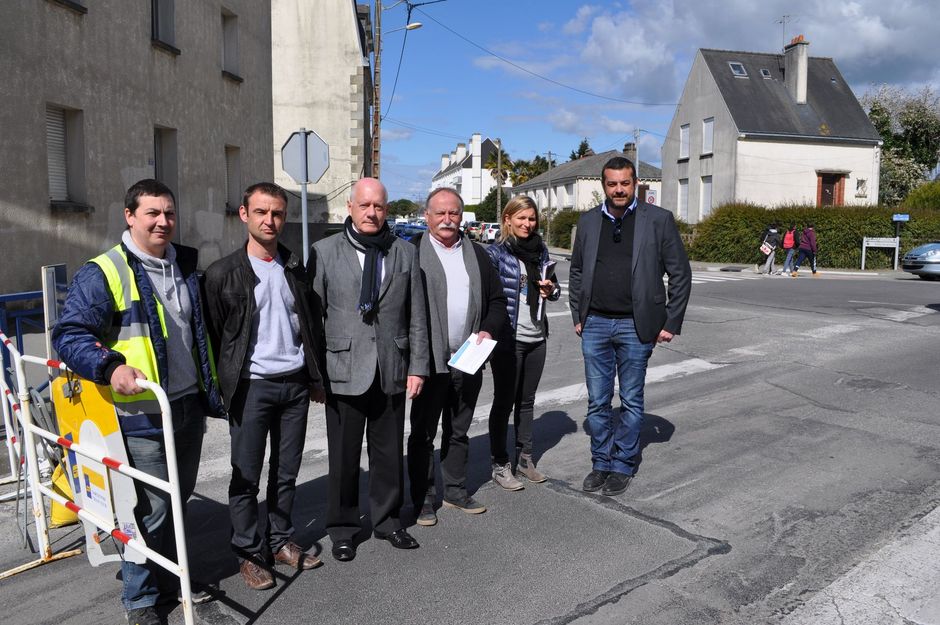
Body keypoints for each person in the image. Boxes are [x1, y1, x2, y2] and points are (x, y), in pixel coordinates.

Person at [52, 179, 225, 625]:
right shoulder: (104, 271)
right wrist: (110, 368)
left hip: (184, 406)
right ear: (130, 216)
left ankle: (169, 576)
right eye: (152, 213)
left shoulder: (184, 265)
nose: (163, 221)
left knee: (177, 498)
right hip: (138, 415)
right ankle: (141, 600)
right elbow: (70, 334)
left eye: (168, 212)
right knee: (146, 507)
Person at [203, 182, 325, 590]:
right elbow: (218, 336)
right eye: (261, 212)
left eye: (276, 213)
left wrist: (313, 378)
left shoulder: (294, 267)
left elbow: (309, 326)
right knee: (246, 475)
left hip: (293, 385)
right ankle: (248, 552)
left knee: (286, 472)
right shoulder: (222, 273)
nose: (269, 220)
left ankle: (279, 541)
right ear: (244, 215)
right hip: (251, 387)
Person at [309, 177, 429, 562]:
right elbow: (314, 317)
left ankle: (388, 520)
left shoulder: (405, 253)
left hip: (391, 366)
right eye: (364, 205)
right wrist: (315, 375)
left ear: (386, 210)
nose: (371, 213)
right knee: (343, 458)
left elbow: (417, 315)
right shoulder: (325, 251)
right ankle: (343, 529)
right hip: (342, 368)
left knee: (389, 453)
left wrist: (419, 367)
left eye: (378, 206)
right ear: (350, 207)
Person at [569, 157, 692, 497]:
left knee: (632, 400)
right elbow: (577, 271)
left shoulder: (659, 220)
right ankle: (601, 462)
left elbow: (680, 273)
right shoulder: (589, 221)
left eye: (625, 183)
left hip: (637, 326)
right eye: (612, 183)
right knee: (597, 402)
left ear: (635, 182)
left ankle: (623, 463)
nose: (619, 189)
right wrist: (578, 314)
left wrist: (670, 321)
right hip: (594, 323)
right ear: (603, 185)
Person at [407, 188, 507, 526]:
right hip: (428, 361)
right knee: (422, 433)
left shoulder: (477, 254)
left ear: (461, 216)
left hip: (468, 358)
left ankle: (454, 490)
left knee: (458, 429)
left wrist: (488, 330)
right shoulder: (410, 253)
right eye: (440, 213)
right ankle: (422, 497)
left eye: (454, 213)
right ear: (427, 216)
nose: (448, 219)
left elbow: (496, 301)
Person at [485, 195, 560, 491]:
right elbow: (490, 297)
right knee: (503, 402)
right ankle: (500, 463)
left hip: (537, 336)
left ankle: (525, 458)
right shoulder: (495, 254)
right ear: (507, 219)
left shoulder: (540, 251)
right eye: (521, 218)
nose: (527, 224)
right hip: (509, 338)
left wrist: (550, 291)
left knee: (527, 402)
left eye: (531, 219)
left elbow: (553, 291)